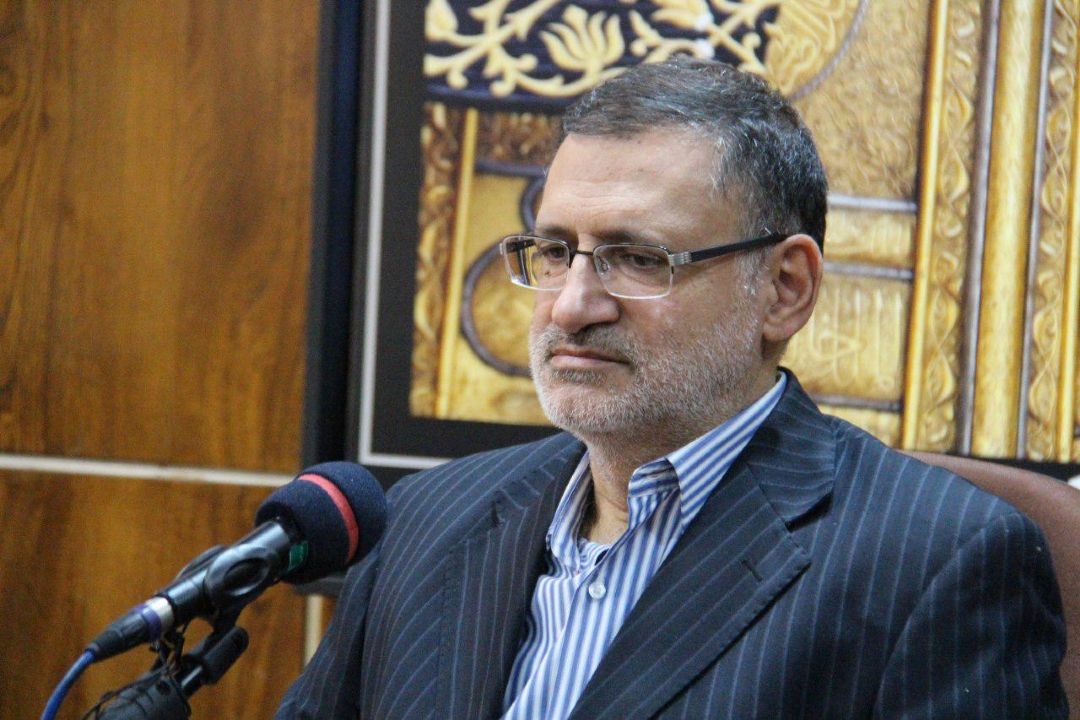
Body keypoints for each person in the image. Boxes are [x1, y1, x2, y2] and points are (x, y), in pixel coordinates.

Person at [277, 58, 1067, 718]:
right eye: (554, 251)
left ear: (785, 289)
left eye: (636, 258)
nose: (573, 306)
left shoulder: (937, 562)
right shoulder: (427, 520)